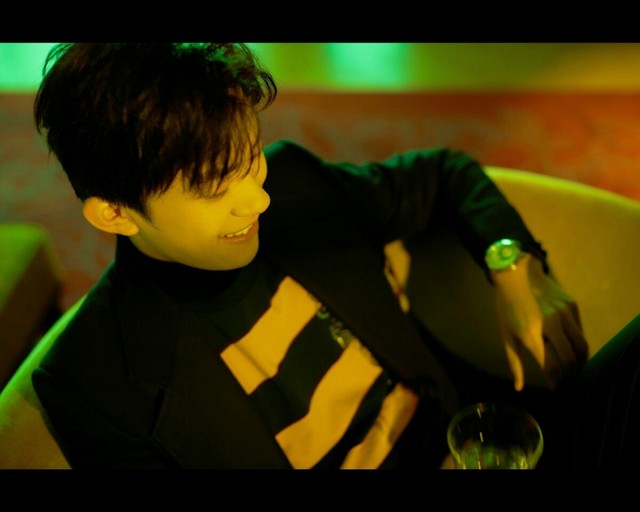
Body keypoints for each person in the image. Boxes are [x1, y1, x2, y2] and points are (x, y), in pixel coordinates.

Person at [29, 42, 638, 469]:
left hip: (484, 434)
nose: (259, 199)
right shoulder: (91, 381)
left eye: (251, 157)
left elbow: (442, 174)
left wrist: (512, 264)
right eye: (215, 187)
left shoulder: (292, 182)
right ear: (115, 213)